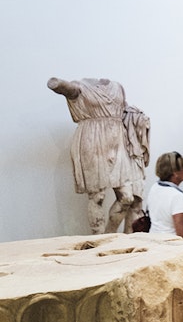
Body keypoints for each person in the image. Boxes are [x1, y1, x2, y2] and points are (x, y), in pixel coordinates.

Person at [47, 77, 149, 235]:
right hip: (92, 140)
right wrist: (59, 85)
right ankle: (98, 238)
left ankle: (109, 234)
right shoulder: (80, 87)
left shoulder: (117, 87)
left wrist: (138, 118)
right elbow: (67, 89)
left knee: (127, 197)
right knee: (97, 196)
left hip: (117, 142)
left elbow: (124, 110)